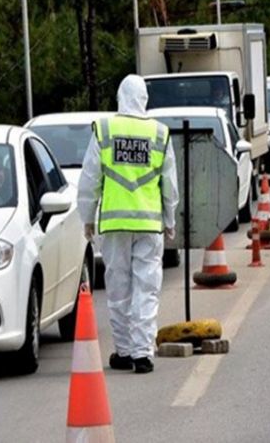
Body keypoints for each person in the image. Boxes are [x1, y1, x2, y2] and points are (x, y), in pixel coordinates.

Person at [77, 74, 179, 374]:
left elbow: (89, 178)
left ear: (119, 97)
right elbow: (169, 185)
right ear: (145, 99)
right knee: (146, 288)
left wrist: (87, 217)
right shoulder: (160, 134)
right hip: (149, 224)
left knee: (119, 288)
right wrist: (169, 219)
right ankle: (142, 353)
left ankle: (123, 351)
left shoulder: (106, 129)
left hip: (115, 224)